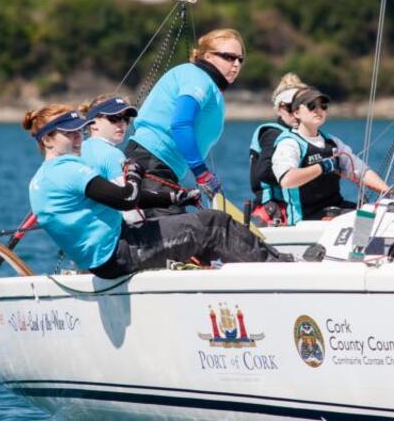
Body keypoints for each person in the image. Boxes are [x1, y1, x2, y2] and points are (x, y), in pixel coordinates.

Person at [24, 104, 289, 279]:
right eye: (68, 134)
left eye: (79, 131)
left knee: (199, 230)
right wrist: (134, 173)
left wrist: (172, 197)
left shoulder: (41, 178)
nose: (78, 138)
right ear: (47, 139)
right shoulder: (68, 169)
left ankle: (246, 273)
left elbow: (118, 197)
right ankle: (280, 270)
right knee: (214, 223)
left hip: (108, 255)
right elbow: (127, 198)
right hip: (119, 252)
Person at [125, 28, 245, 217]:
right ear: (207, 56)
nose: (236, 64)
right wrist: (202, 173)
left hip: (162, 167)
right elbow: (181, 124)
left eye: (240, 59)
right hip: (150, 163)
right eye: (228, 57)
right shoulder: (198, 78)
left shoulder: (207, 84)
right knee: (177, 236)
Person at [272, 87, 390, 223]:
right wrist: (322, 167)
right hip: (307, 218)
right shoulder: (289, 144)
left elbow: (361, 171)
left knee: (379, 215)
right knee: (364, 222)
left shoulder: (332, 142)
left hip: (335, 209)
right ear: (296, 112)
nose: (318, 110)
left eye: (323, 106)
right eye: (311, 106)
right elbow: (287, 180)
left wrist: (388, 192)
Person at [248, 73, 306, 226]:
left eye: (300, 107)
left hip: (297, 206)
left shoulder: (308, 136)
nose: (296, 113)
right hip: (275, 210)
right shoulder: (272, 134)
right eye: (290, 108)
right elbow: (264, 172)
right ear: (279, 108)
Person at [78, 94, 136, 181]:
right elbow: (127, 194)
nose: (122, 123)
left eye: (126, 118)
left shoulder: (76, 151)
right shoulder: (114, 155)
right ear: (93, 124)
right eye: (114, 118)